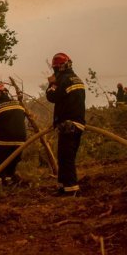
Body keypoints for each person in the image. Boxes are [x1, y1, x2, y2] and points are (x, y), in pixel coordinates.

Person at [46, 52, 86, 197]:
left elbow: (52, 96)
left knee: (66, 158)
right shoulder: (77, 79)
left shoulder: (62, 79)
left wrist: (51, 83)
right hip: (77, 123)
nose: (55, 71)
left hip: (68, 124)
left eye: (55, 68)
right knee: (64, 157)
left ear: (60, 67)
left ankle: (71, 190)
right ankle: (63, 187)